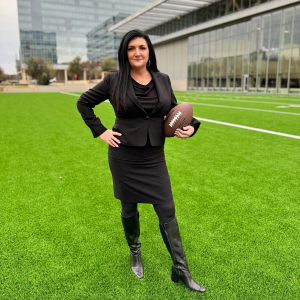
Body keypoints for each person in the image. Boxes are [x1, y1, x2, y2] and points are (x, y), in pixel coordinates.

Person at [77, 29, 206, 293]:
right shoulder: (114, 79)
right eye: (131, 48)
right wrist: (100, 131)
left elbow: (174, 110)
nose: (137, 52)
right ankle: (135, 252)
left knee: (166, 208)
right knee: (129, 206)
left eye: (142, 48)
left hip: (154, 156)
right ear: (125, 53)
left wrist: (191, 127)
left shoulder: (162, 79)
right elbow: (84, 103)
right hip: (124, 156)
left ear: (149, 52)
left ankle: (181, 268)